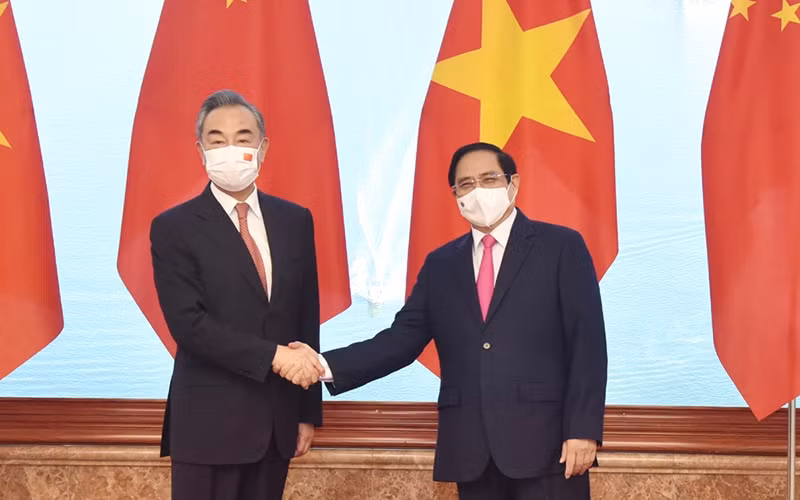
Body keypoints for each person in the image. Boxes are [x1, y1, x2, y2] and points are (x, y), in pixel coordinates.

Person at [298, 142, 608, 499]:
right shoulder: (441, 264)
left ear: (513, 183)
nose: (477, 191)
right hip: (471, 449)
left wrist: (583, 429)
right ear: (456, 195)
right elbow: (401, 340)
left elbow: (587, 344)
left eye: (489, 179)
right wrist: (321, 365)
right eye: (466, 184)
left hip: (549, 447)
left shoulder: (561, 246)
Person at [150, 89, 325, 500]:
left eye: (243, 138)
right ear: (201, 151)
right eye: (217, 140)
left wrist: (307, 411)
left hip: (277, 423)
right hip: (208, 426)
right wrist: (275, 356)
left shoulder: (295, 220)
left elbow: (306, 317)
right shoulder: (174, 227)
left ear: (263, 148)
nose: (230, 149)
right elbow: (189, 325)